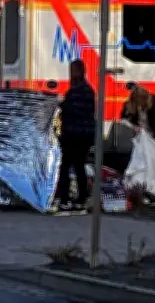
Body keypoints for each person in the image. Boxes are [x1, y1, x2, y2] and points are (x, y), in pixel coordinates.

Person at [55, 59, 96, 215]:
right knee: (79, 167)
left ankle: (65, 199)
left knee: (65, 167)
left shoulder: (76, 91)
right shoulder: (88, 90)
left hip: (73, 134)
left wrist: (62, 104)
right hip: (84, 136)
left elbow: (73, 109)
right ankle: (81, 199)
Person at [120, 85, 155, 152]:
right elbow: (123, 119)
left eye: (141, 101)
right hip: (141, 137)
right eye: (137, 101)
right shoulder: (129, 104)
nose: (139, 103)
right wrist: (134, 127)